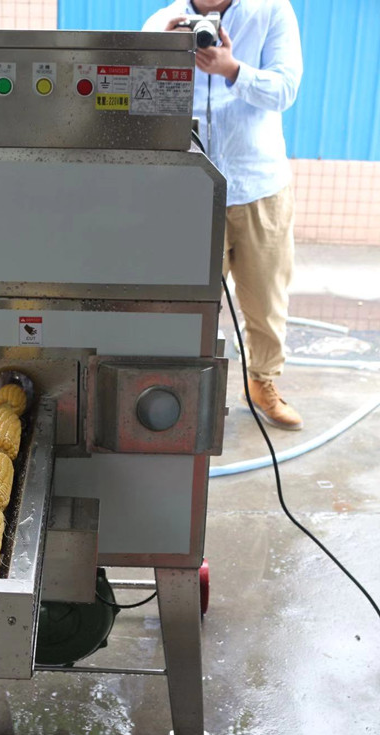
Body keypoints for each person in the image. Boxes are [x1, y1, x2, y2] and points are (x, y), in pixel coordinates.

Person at [143, 0, 304, 430]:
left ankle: (262, 384)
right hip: (187, 189)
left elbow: (286, 88)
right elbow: (139, 101)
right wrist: (165, 54)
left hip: (259, 186)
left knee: (266, 301)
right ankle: (176, 392)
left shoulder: (272, 11)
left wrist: (233, 69)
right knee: (181, 304)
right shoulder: (163, 21)